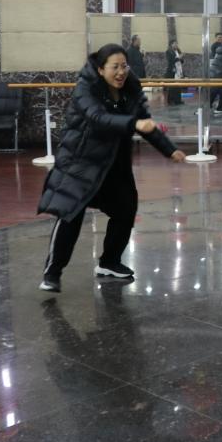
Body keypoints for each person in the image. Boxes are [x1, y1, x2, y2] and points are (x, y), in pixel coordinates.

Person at [36, 44, 185, 293]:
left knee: (126, 209)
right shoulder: (86, 88)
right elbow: (97, 118)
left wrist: (169, 149)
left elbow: (145, 123)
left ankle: (109, 262)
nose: (121, 72)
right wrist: (133, 123)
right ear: (100, 69)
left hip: (114, 163)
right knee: (71, 213)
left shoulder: (131, 88)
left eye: (124, 66)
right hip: (81, 163)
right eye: (114, 67)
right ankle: (52, 273)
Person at [165, 39, 184, 105]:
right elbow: (171, 60)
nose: (176, 45)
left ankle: (178, 100)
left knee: (178, 86)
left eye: (177, 44)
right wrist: (178, 58)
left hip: (178, 71)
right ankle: (171, 101)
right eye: (175, 43)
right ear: (171, 44)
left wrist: (181, 58)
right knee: (172, 86)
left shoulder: (178, 51)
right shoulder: (168, 51)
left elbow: (181, 61)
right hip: (172, 71)